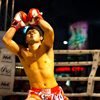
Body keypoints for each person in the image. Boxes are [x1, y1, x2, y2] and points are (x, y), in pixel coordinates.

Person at [2, 8, 69, 100]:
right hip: (36, 94)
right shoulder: (23, 52)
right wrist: (16, 24)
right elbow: (6, 40)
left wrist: (38, 19)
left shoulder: (46, 47)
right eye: (29, 33)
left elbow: (49, 30)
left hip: (55, 92)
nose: (31, 33)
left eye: (34, 32)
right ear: (25, 40)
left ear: (41, 37)